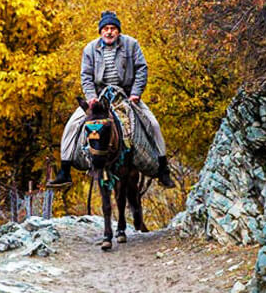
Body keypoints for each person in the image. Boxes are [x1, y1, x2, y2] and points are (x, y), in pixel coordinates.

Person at [48, 10, 175, 188]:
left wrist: (136, 93)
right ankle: (65, 170)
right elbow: (86, 76)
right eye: (106, 29)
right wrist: (91, 98)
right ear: (100, 32)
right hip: (99, 97)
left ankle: (163, 169)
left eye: (113, 28)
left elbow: (141, 68)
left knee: (152, 124)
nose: (109, 32)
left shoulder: (131, 45)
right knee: (72, 126)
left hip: (126, 95)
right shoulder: (90, 49)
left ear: (118, 31)